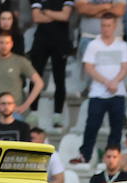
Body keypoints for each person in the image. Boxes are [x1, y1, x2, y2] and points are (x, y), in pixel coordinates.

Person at [77, 13, 127, 163]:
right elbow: (89, 67)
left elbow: (125, 68)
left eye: (108, 25)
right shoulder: (94, 44)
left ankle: (113, 157)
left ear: (114, 26)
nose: (105, 29)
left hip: (118, 92)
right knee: (92, 126)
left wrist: (115, 82)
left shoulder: (122, 45)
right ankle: (85, 155)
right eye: (103, 25)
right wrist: (107, 82)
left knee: (116, 127)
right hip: (98, 92)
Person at [29, 0, 74, 130]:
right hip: (40, 41)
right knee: (35, 76)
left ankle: (57, 114)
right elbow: (36, 17)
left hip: (60, 42)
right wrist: (56, 15)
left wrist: (46, 12)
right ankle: (33, 112)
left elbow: (65, 16)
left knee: (59, 79)